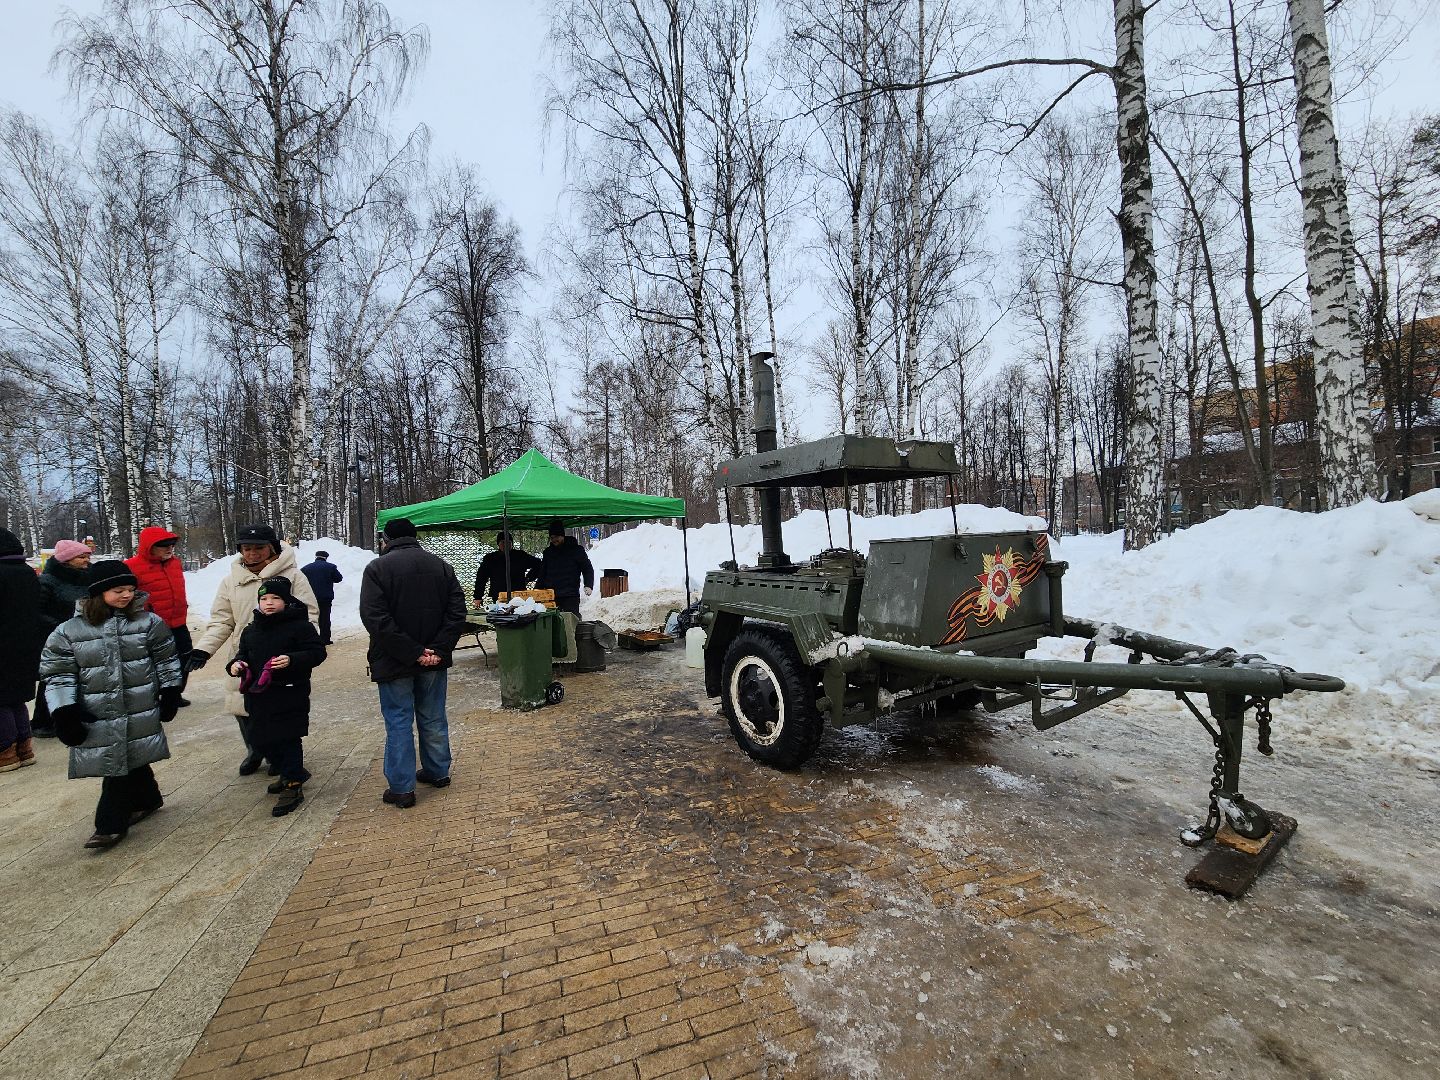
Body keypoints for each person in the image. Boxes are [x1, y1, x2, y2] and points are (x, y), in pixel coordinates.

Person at [40, 561, 182, 848]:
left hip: (139, 704)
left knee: (118, 763)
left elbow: (166, 659)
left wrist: (170, 692)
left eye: (130, 589)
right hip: (98, 711)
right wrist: (64, 711)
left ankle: (109, 824)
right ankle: (147, 798)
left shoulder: (148, 622)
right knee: (122, 757)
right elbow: (57, 674)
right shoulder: (68, 632)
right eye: (118, 590)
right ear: (97, 593)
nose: (127, 595)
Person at [190, 524, 319, 776]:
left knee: (279, 710)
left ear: (272, 549)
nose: (252, 553)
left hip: (280, 658)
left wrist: (298, 649)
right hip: (245, 655)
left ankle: (281, 757)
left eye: (259, 548)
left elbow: (309, 614)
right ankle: (256, 749)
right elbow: (222, 620)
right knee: (244, 708)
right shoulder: (232, 581)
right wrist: (203, 650)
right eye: (246, 548)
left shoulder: (293, 577)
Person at [359, 518, 466, 809]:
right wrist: (436, 650)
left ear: (386, 539)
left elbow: (375, 619)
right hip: (432, 660)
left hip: (395, 661)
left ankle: (402, 788)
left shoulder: (377, 569)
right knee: (433, 717)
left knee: (398, 722)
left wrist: (413, 651)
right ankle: (438, 771)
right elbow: (457, 612)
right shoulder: (441, 566)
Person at [225, 577, 326, 816]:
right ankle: (291, 772)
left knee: (288, 737)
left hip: (290, 691)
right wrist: (235, 665)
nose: (269, 603)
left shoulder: (300, 626)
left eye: (275, 598)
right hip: (259, 695)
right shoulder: (252, 630)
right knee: (261, 738)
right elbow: (242, 655)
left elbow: (317, 652)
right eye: (264, 599)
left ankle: (292, 784)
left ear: (286, 600)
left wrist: (292, 659)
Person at [33, 539, 94, 738]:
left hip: (84, 635)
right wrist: (62, 627)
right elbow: (36, 612)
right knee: (54, 678)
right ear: (66, 560)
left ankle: (76, 715)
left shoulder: (87, 577)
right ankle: (43, 721)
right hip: (56, 637)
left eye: (87, 556)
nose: (86, 560)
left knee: (82, 676)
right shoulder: (47, 581)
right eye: (81, 557)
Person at [126, 526, 192, 706]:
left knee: (185, 658)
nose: (169, 548)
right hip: (151, 625)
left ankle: (175, 694)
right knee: (155, 662)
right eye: (163, 545)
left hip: (178, 621)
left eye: (171, 545)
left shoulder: (175, 563)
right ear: (149, 547)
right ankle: (155, 696)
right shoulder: (131, 566)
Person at [0, 529, 47, 772]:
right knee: (16, 698)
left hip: (3, 645)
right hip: (25, 644)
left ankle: (5, 752)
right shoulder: (28, 573)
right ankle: (25, 748)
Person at [537, 518, 595, 617]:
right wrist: (537, 591)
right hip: (551, 596)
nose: (554, 540)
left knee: (570, 624)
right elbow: (542, 573)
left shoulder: (576, 550)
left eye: (556, 537)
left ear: (562, 535)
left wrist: (588, 584)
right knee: (552, 624)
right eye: (551, 537)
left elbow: (587, 568)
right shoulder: (548, 553)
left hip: (570, 596)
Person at [473, 531, 542, 607]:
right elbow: (481, 577)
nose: (506, 545)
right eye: (503, 542)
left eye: (508, 542)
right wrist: (478, 597)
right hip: (499, 594)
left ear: (512, 543)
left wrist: (528, 578)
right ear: (498, 544)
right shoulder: (491, 559)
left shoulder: (520, 556)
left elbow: (538, 564)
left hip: (518, 593)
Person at [299, 550, 344, 645]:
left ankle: (310, 639)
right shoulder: (330, 567)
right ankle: (325, 639)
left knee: (311, 617)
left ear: (316, 557)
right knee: (325, 618)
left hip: (310, 597)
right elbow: (338, 578)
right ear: (326, 558)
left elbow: (300, 581)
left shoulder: (306, 568)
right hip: (325, 598)